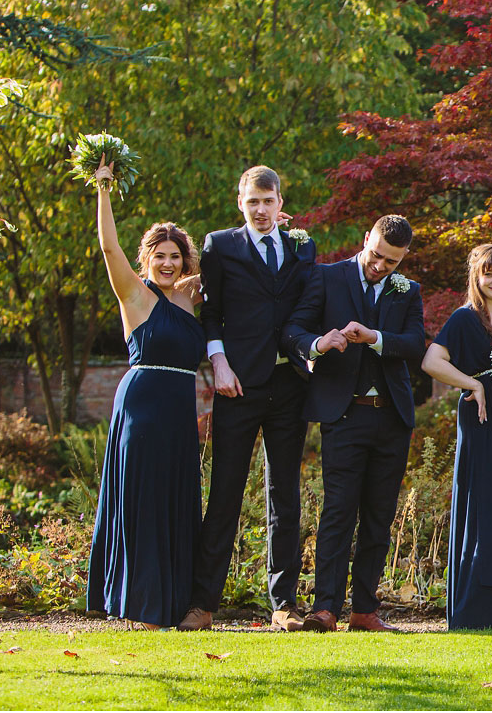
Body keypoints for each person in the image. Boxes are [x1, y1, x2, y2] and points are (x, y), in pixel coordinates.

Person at [180, 166, 316, 633]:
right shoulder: (220, 246)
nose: (261, 210)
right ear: (240, 202)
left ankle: (283, 606)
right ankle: (203, 604)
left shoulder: (302, 246)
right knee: (225, 495)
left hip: (290, 387)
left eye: (268, 201)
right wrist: (217, 362)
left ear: (281, 203)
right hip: (237, 386)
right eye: (252, 202)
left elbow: (308, 306)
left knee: (286, 497)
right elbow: (211, 313)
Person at [284, 214, 426, 633]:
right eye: (377, 255)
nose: (381, 267)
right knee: (338, 512)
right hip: (343, 415)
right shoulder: (326, 278)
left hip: (392, 418)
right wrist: (318, 343)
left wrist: (376, 337)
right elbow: (293, 328)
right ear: (366, 239)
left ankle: (364, 610)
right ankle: (325, 608)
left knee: (379, 516)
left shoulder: (408, 291)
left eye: (392, 262)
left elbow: (416, 344)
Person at [86, 160, 204, 630]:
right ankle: (141, 606)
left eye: (176, 256)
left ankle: (173, 603)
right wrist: (103, 189)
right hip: (143, 405)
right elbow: (108, 246)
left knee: (175, 500)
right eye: (161, 255)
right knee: (145, 498)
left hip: (180, 409)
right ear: (148, 259)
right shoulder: (134, 295)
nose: (169, 263)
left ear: (186, 260)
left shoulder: (193, 298)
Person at [421, 244, 492, 630]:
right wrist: (473, 384)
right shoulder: (464, 318)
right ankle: (478, 607)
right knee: (485, 505)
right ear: (476, 276)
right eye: (489, 273)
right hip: (481, 417)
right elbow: (431, 361)